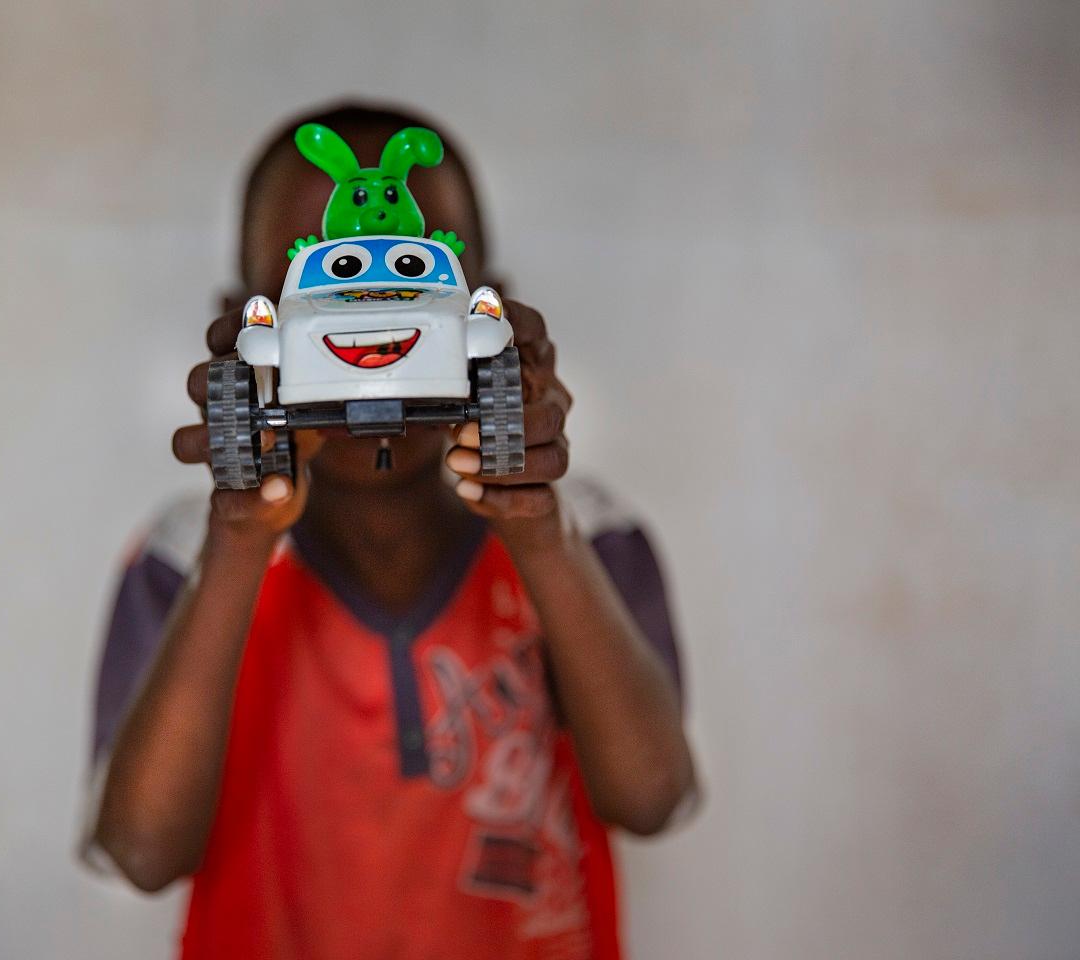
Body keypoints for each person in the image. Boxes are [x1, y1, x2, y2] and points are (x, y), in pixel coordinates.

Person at [81, 102, 697, 960]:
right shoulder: (186, 553)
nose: (368, 325)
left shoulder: (587, 531)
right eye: (321, 286)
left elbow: (653, 796)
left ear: (491, 311)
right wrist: (239, 539)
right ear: (248, 324)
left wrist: (536, 526)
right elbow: (140, 849)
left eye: (414, 278)